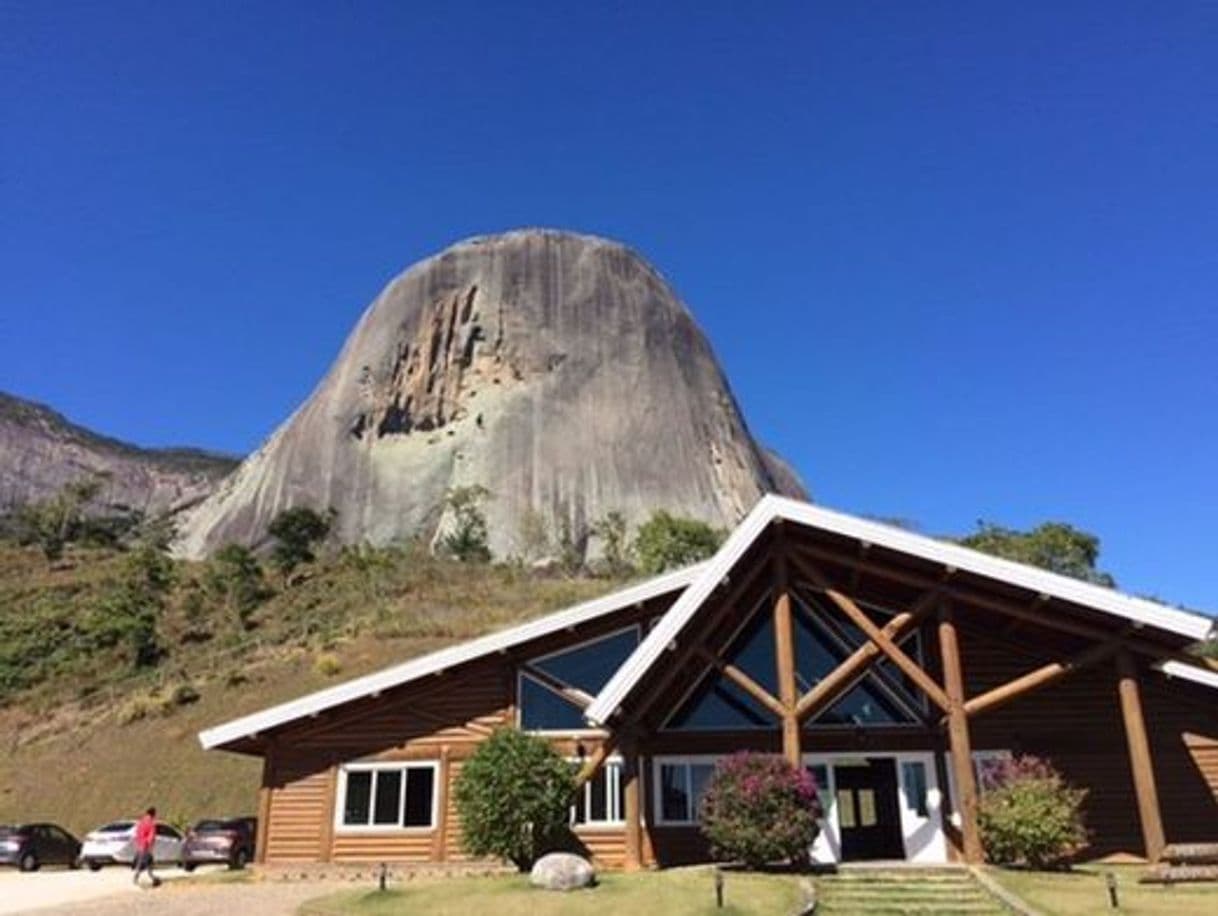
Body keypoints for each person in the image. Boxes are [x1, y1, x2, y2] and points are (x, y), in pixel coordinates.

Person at [132, 807, 162, 888]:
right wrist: (149, 846)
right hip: (146, 846)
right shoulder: (151, 823)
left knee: (148, 864)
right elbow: (151, 836)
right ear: (153, 814)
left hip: (140, 845)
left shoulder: (141, 822)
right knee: (142, 864)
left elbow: (137, 833)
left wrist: (139, 843)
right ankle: (136, 879)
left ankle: (153, 879)